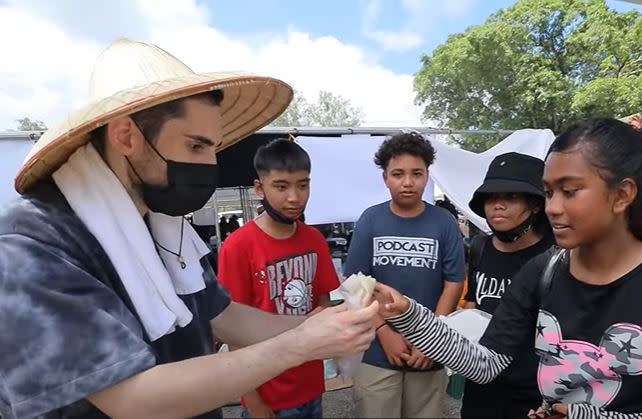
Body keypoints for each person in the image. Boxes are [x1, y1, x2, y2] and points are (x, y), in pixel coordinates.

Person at [0, 38, 378, 419]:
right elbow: (131, 399)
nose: (209, 164)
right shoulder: (33, 244)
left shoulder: (164, 226)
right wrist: (301, 343)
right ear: (126, 135)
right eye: (196, 147)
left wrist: (318, 326)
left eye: (213, 148)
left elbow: (226, 317)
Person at [373, 116, 642, 418]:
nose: (553, 207)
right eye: (548, 192)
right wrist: (410, 315)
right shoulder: (543, 271)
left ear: (622, 195)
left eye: (569, 191)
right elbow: (486, 362)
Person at [344, 132, 466, 418]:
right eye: (398, 174)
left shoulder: (444, 223)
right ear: (385, 177)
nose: (408, 182)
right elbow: (355, 284)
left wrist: (430, 339)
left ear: (427, 176)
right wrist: (383, 332)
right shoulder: (370, 220)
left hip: (428, 353)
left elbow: (453, 283)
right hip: (375, 352)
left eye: (417, 173)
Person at [217, 139, 339, 418]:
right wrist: (254, 400)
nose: (294, 197)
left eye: (303, 185)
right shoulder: (237, 247)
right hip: (266, 393)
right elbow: (233, 331)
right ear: (259, 188)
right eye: (281, 187)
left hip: (310, 386)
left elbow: (323, 308)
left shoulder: (315, 240)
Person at [461, 152, 555, 418]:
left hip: (535, 391)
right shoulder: (479, 247)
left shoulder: (557, 255)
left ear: (535, 205)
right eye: (490, 197)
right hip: (482, 384)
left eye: (511, 196)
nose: (497, 205)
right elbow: (472, 300)